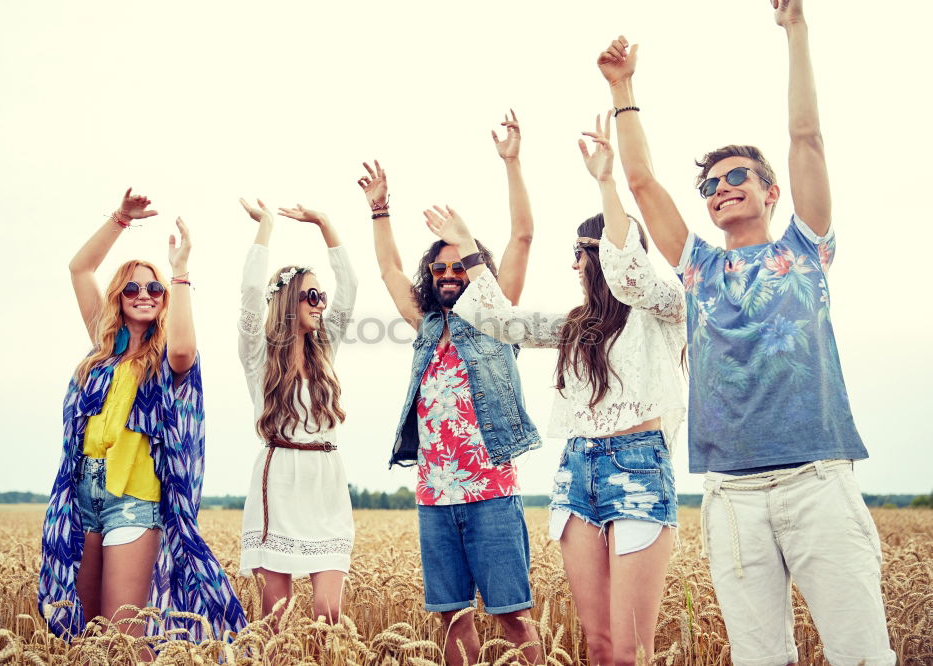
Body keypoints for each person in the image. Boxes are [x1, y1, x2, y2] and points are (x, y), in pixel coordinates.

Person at [595, 1, 895, 664]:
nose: (722, 187)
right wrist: (623, 90)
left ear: (771, 192)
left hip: (817, 479)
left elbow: (806, 136)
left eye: (738, 177)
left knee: (862, 654)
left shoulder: (806, 249)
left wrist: (796, 30)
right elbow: (641, 182)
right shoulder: (699, 267)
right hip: (730, 494)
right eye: (710, 183)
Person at [426, 112, 685, 665]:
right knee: (596, 647)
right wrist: (469, 248)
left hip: (637, 465)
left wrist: (607, 182)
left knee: (628, 653)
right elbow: (501, 321)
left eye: (581, 252)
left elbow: (630, 267)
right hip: (575, 470)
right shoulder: (575, 325)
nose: (574, 263)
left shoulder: (662, 309)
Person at [358, 111, 541, 666]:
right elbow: (389, 268)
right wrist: (380, 209)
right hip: (435, 496)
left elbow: (523, 236)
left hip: (490, 493)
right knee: (452, 617)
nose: (449, 272)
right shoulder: (426, 324)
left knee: (512, 616)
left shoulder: (495, 313)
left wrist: (512, 164)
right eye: (439, 266)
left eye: (459, 263)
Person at [38, 189, 246, 648]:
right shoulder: (102, 349)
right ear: (118, 297)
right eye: (132, 287)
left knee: (124, 638)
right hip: (83, 495)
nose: (144, 295)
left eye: (154, 289)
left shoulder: (165, 360)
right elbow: (79, 268)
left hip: (134, 497)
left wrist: (180, 271)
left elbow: (184, 349)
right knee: (84, 635)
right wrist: (120, 218)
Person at [236, 198, 357, 624]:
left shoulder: (326, 350)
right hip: (280, 477)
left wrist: (325, 221)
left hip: (327, 479)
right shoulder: (259, 356)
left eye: (321, 295)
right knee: (276, 616)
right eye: (311, 295)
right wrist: (266, 227)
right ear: (288, 299)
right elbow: (251, 295)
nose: (321, 302)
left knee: (329, 611)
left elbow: (351, 287)